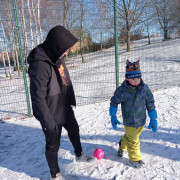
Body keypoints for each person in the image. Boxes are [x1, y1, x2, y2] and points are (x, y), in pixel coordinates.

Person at [27, 25, 95, 180]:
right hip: (50, 113)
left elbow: (63, 80)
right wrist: (48, 122)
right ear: (56, 46)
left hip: (63, 105)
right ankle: (55, 174)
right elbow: (38, 98)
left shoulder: (57, 56)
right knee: (53, 144)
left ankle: (79, 155)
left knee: (74, 130)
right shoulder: (39, 65)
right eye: (65, 49)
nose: (67, 52)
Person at [109, 60, 157, 168]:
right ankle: (135, 159)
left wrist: (153, 118)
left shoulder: (145, 89)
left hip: (141, 120)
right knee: (134, 140)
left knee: (131, 137)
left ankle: (122, 145)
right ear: (127, 78)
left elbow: (150, 102)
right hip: (129, 121)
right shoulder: (121, 90)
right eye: (133, 79)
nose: (136, 81)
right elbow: (114, 102)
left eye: (138, 78)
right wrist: (113, 115)